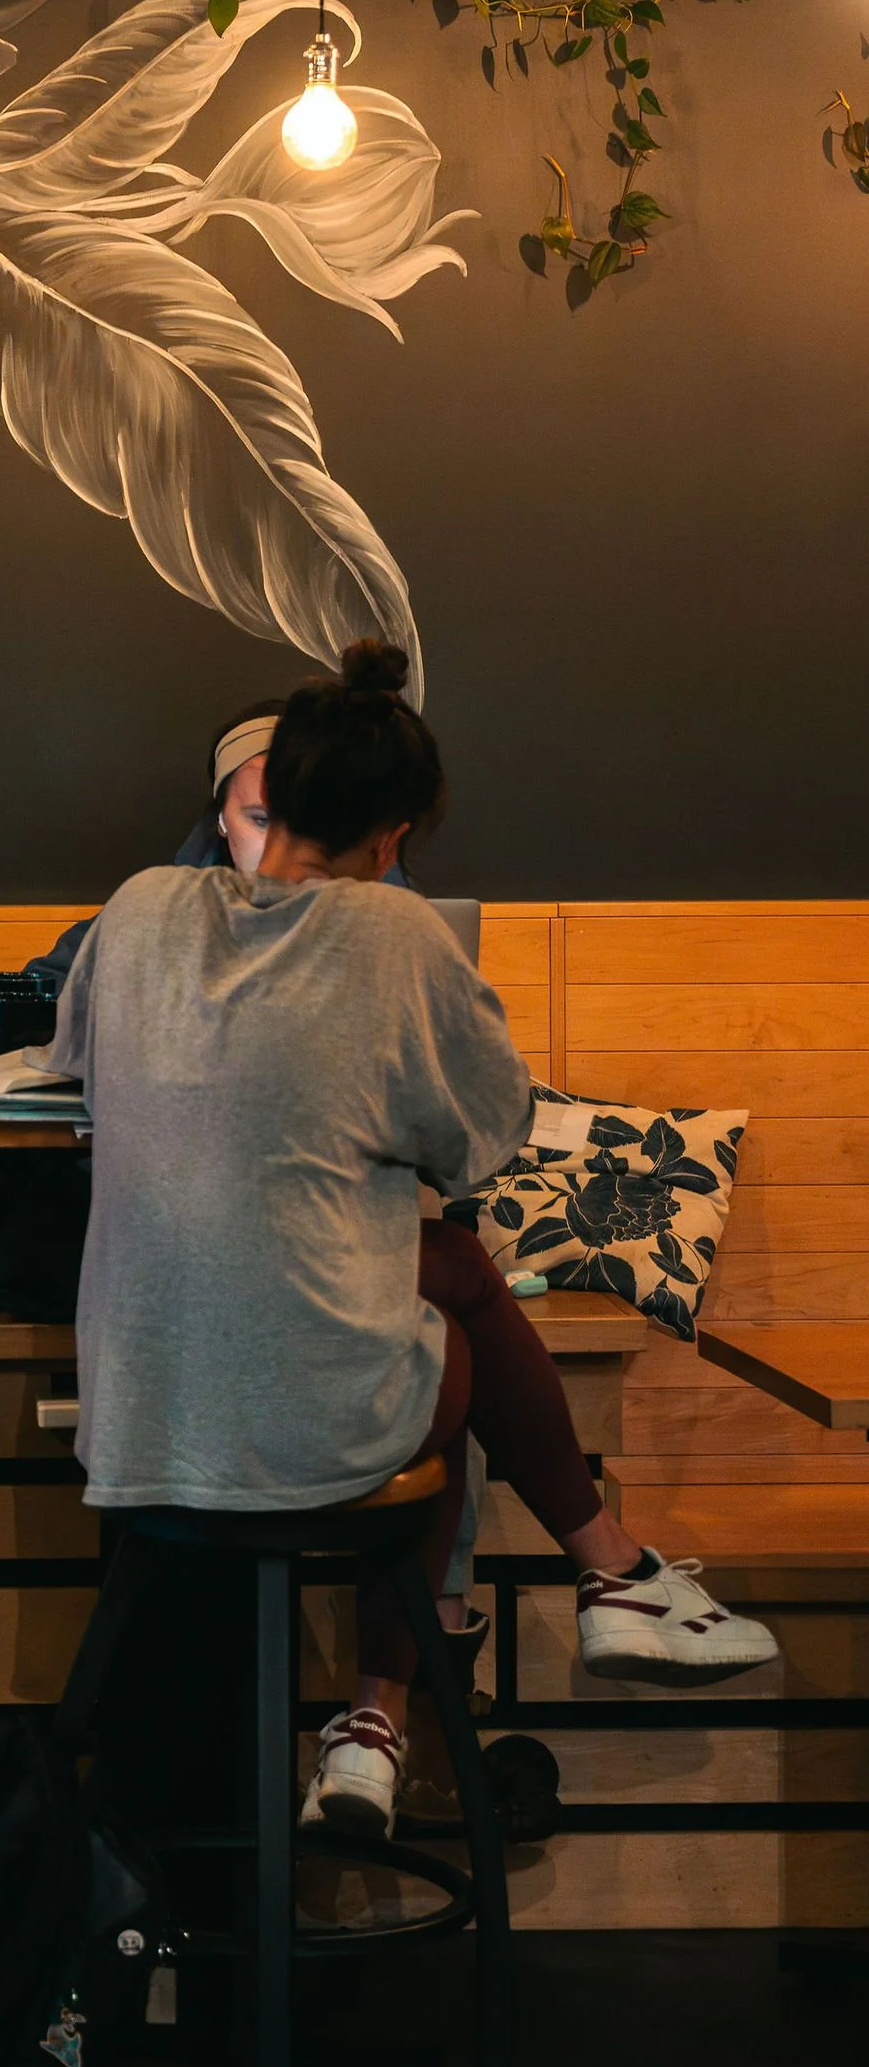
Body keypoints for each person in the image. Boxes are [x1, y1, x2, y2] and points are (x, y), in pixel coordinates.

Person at [47, 638, 777, 1835]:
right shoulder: (397, 940)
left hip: (136, 1426)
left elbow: (77, 1063)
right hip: (306, 1439)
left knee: (428, 1300)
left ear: (262, 795)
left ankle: (505, 1642)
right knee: (445, 1322)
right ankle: (484, 1645)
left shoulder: (133, 911)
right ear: (393, 841)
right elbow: (480, 1147)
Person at [22, 697, 286, 990]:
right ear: (220, 820)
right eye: (261, 820)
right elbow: (35, 999)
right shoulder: (155, 913)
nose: (284, 846)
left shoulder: (342, 914)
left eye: (310, 821)